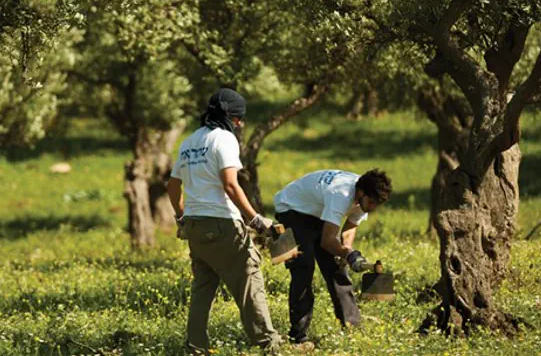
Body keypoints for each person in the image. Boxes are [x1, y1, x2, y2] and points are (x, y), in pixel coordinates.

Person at [167, 88, 282, 355]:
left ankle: (196, 347)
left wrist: (182, 218)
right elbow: (230, 184)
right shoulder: (225, 139)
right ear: (231, 117)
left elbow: (172, 186)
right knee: (249, 280)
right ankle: (270, 345)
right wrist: (255, 219)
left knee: (203, 288)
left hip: (195, 226)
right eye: (239, 119)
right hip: (222, 224)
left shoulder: (189, 142)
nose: (239, 124)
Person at [273, 168, 392, 345]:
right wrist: (348, 254)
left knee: (337, 268)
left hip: (317, 212)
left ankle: (352, 328)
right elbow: (327, 241)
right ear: (361, 193)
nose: (373, 208)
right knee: (303, 269)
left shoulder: (365, 194)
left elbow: (350, 226)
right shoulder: (341, 195)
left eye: (377, 204)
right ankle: (298, 337)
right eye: (372, 202)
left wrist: (346, 251)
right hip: (291, 210)